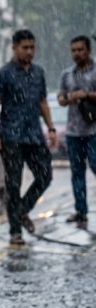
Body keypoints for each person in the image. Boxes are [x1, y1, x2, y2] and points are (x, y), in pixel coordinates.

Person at [0, 29, 57, 247]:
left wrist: (51, 128)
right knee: (13, 184)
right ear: (14, 48)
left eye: (32, 47)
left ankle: (23, 210)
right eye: (25, 48)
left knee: (45, 176)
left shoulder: (38, 73)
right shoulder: (3, 74)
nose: (29, 52)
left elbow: (43, 103)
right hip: (11, 136)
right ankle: (15, 231)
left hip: (34, 135)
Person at [57, 35, 96, 228]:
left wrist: (87, 95)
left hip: (93, 131)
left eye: (80, 50)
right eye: (73, 50)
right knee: (77, 172)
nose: (77, 54)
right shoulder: (67, 75)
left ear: (88, 50)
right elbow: (60, 98)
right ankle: (81, 211)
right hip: (73, 132)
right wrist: (69, 97)